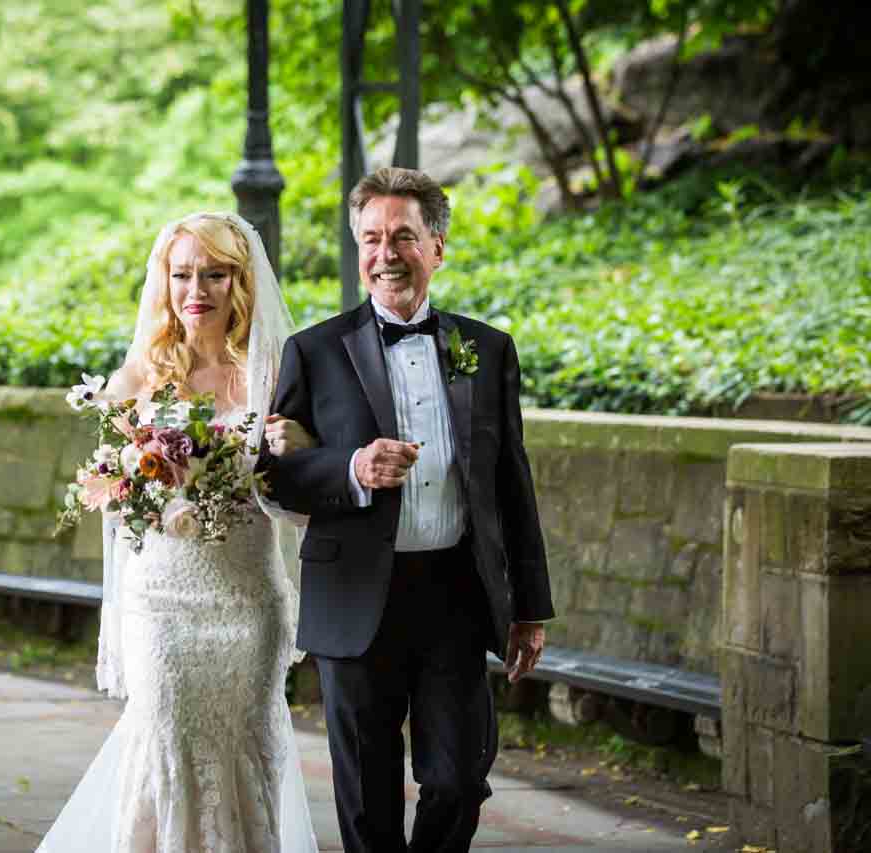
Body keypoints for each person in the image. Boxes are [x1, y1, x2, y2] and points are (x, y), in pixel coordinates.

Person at [262, 166, 555, 853]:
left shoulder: (485, 349)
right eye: (370, 238)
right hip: (357, 596)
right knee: (366, 798)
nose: (385, 254)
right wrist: (352, 467)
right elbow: (277, 475)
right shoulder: (314, 350)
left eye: (403, 236)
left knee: (458, 779)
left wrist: (530, 606)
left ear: (437, 247)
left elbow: (512, 479)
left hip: (455, 593)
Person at [36, 212, 318, 853]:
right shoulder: (142, 375)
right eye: (183, 273)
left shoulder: (274, 374)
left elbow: (304, 496)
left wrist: (295, 447)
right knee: (165, 736)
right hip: (163, 597)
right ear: (163, 281)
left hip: (250, 598)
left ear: (239, 283)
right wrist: (153, 494)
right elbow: (110, 489)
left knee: (250, 745)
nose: (197, 289)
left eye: (215, 274)